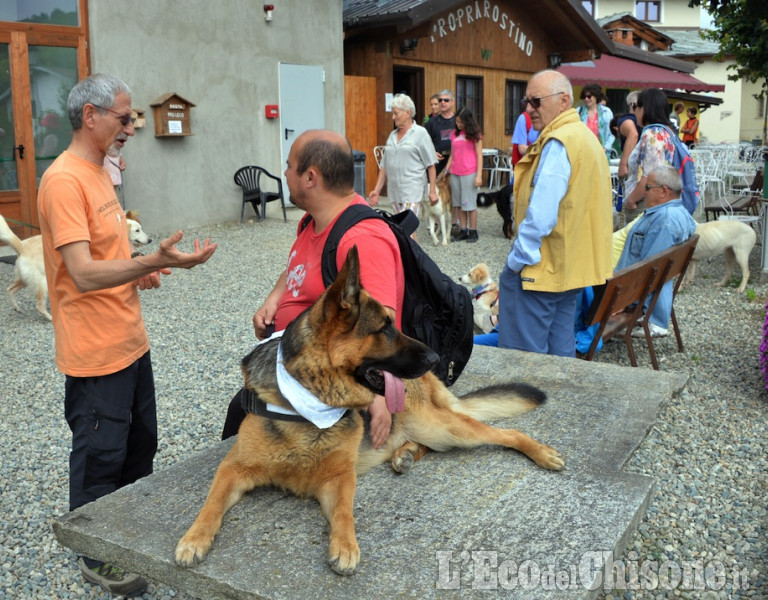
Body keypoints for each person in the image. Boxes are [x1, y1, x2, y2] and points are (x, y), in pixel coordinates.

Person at [37, 73, 217, 597]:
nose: (131, 127)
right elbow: (82, 272)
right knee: (101, 454)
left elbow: (107, 260)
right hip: (95, 352)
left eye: (132, 117)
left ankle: (127, 529)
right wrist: (150, 262)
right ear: (89, 116)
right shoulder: (64, 180)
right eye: (124, 116)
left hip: (130, 341)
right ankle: (96, 552)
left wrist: (144, 267)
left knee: (142, 443)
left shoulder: (101, 173)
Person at [222, 129, 405, 450]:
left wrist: (376, 396)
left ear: (310, 177)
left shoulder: (362, 239)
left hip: (328, 385)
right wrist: (274, 301)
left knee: (242, 420)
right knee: (242, 415)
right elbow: (296, 267)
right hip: (295, 363)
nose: (284, 172)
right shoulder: (311, 221)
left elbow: (381, 329)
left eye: (290, 165)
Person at [498, 70, 613, 357]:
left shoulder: (559, 143)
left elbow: (542, 214)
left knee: (524, 358)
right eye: (527, 101)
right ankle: (560, 402)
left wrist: (517, 260)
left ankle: (530, 403)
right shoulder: (586, 138)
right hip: (570, 267)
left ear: (563, 101)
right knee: (560, 348)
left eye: (535, 101)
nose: (528, 109)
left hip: (541, 269)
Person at [616, 165, 697, 338]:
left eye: (647, 187)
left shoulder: (663, 220)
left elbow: (650, 269)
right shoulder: (680, 212)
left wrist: (621, 299)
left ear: (663, 191)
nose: (644, 192)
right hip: (629, 287)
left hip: (623, 291)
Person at [368, 93, 438, 217]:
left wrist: (432, 191)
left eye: (396, 113)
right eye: (392, 114)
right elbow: (384, 166)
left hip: (412, 191)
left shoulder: (421, 134)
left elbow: (431, 164)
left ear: (408, 113)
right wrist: (377, 190)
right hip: (395, 192)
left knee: (405, 227)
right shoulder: (392, 136)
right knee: (403, 229)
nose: (393, 117)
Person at [623, 88, 678, 223]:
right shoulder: (666, 132)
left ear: (645, 109)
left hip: (645, 203)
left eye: (636, 106)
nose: (634, 111)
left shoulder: (652, 135)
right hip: (661, 200)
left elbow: (650, 175)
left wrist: (632, 200)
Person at [441, 107, 483, 242]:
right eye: (457, 122)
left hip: (470, 173)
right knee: (458, 204)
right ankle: (463, 229)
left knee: (469, 203)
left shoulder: (475, 135)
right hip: (455, 173)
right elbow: (452, 155)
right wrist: (446, 171)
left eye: (461, 122)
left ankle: (473, 231)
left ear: (468, 122)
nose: (459, 124)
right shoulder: (454, 134)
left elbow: (479, 156)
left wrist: (479, 175)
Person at [576, 83, 614, 157]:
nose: (586, 99)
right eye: (584, 97)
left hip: (602, 154)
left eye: (589, 96)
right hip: (583, 154)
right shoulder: (578, 112)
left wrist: (605, 148)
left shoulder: (606, 112)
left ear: (596, 96)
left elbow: (612, 134)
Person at [424, 89, 456, 176]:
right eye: (440, 100)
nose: (442, 102)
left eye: (446, 100)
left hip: (457, 163)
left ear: (452, 102)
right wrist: (432, 152)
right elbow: (424, 143)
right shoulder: (430, 122)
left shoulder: (459, 120)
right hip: (438, 165)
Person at [616, 91, 643, 180]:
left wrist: (623, 164)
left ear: (631, 104)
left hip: (631, 168)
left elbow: (633, 134)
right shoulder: (646, 121)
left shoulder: (626, 118)